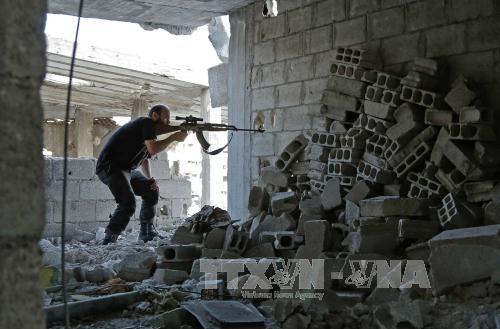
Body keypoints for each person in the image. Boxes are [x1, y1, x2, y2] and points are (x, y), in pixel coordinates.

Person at [96, 104, 188, 244]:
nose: (168, 122)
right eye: (166, 118)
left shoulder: (146, 132)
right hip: (110, 167)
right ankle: (109, 238)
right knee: (128, 203)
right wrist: (173, 137)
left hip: (125, 170)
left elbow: (145, 157)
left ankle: (146, 233)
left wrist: (149, 179)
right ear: (155, 115)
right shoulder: (146, 123)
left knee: (151, 189)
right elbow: (152, 149)